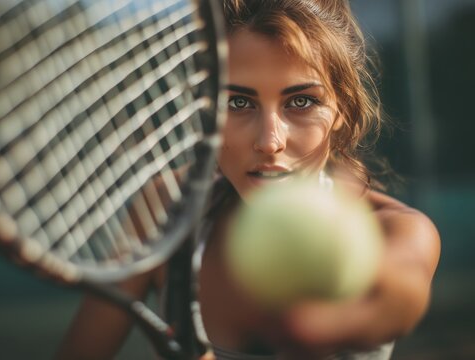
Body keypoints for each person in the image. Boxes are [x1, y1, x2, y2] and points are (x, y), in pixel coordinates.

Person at [56, 0, 441, 359]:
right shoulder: (168, 204)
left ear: (342, 108)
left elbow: (400, 296)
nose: (269, 141)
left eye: (301, 101)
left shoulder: (399, 231)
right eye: (237, 103)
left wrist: (319, 327)